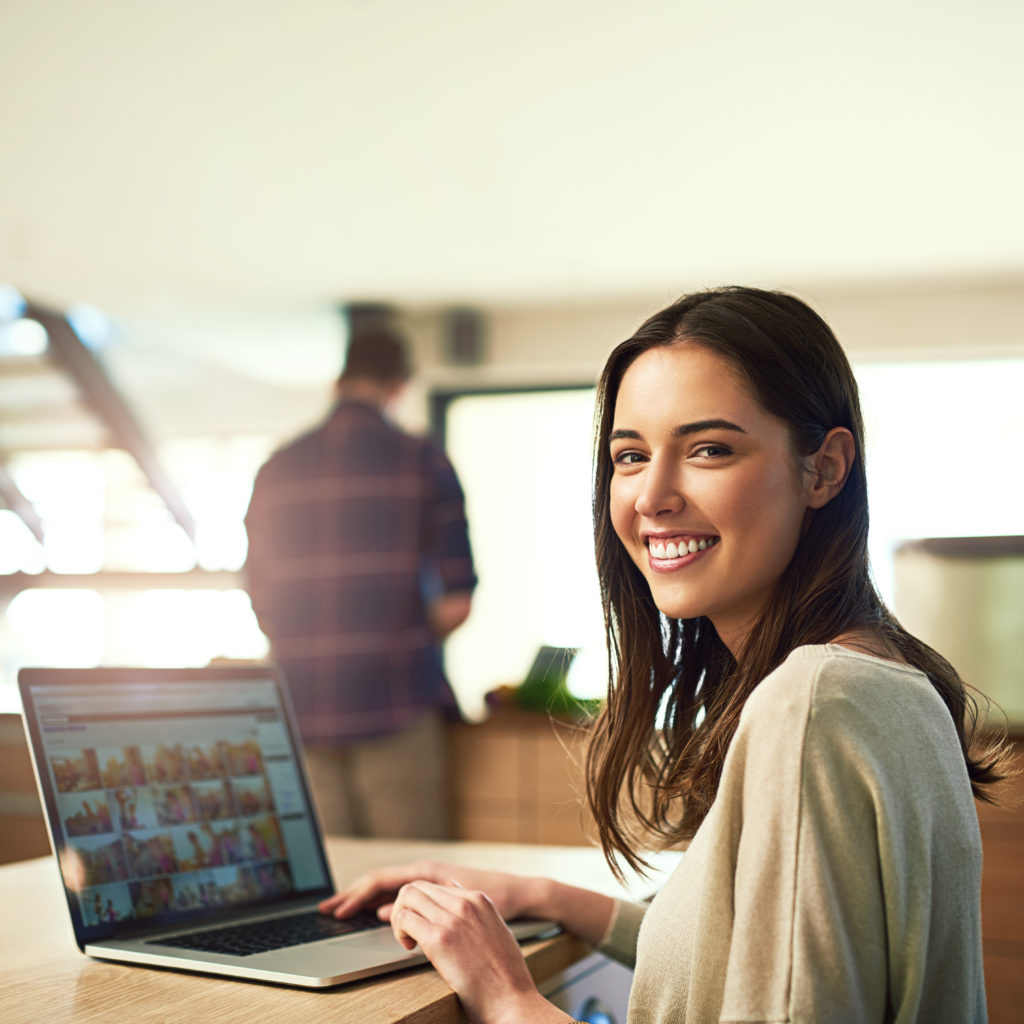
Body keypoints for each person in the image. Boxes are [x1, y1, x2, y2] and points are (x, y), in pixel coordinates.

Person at [318, 286, 1012, 1023]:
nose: (652, 495)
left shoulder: (812, 703)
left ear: (825, 469)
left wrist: (505, 995)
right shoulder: (872, 678)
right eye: (630, 455)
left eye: (709, 449)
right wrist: (545, 897)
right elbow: (749, 963)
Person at [244, 322, 477, 839]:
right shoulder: (422, 460)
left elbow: (260, 599)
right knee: (409, 888)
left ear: (339, 381)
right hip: (396, 699)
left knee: (325, 884)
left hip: (298, 701)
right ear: (399, 385)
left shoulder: (277, 468)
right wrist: (395, 636)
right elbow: (456, 601)